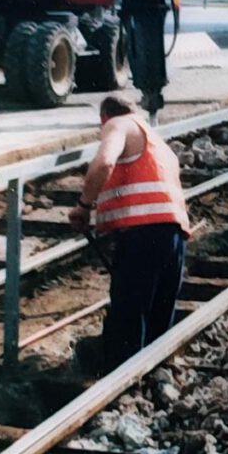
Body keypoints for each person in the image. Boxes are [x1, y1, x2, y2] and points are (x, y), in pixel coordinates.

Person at [69, 95, 191, 372]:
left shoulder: (118, 125)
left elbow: (103, 164)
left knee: (128, 317)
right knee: (158, 321)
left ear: (104, 118)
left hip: (142, 236)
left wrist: (84, 206)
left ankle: (119, 385)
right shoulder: (158, 142)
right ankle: (150, 385)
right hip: (173, 236)